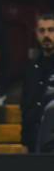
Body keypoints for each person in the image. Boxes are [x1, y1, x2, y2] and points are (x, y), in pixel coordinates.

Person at [22, 13, 54, 152]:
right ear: (36, 34)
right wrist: (24, 141)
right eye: (42, 31)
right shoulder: (31, 69)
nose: (46, 35)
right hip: (34, 144)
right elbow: (26, 106)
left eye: (51, 30)